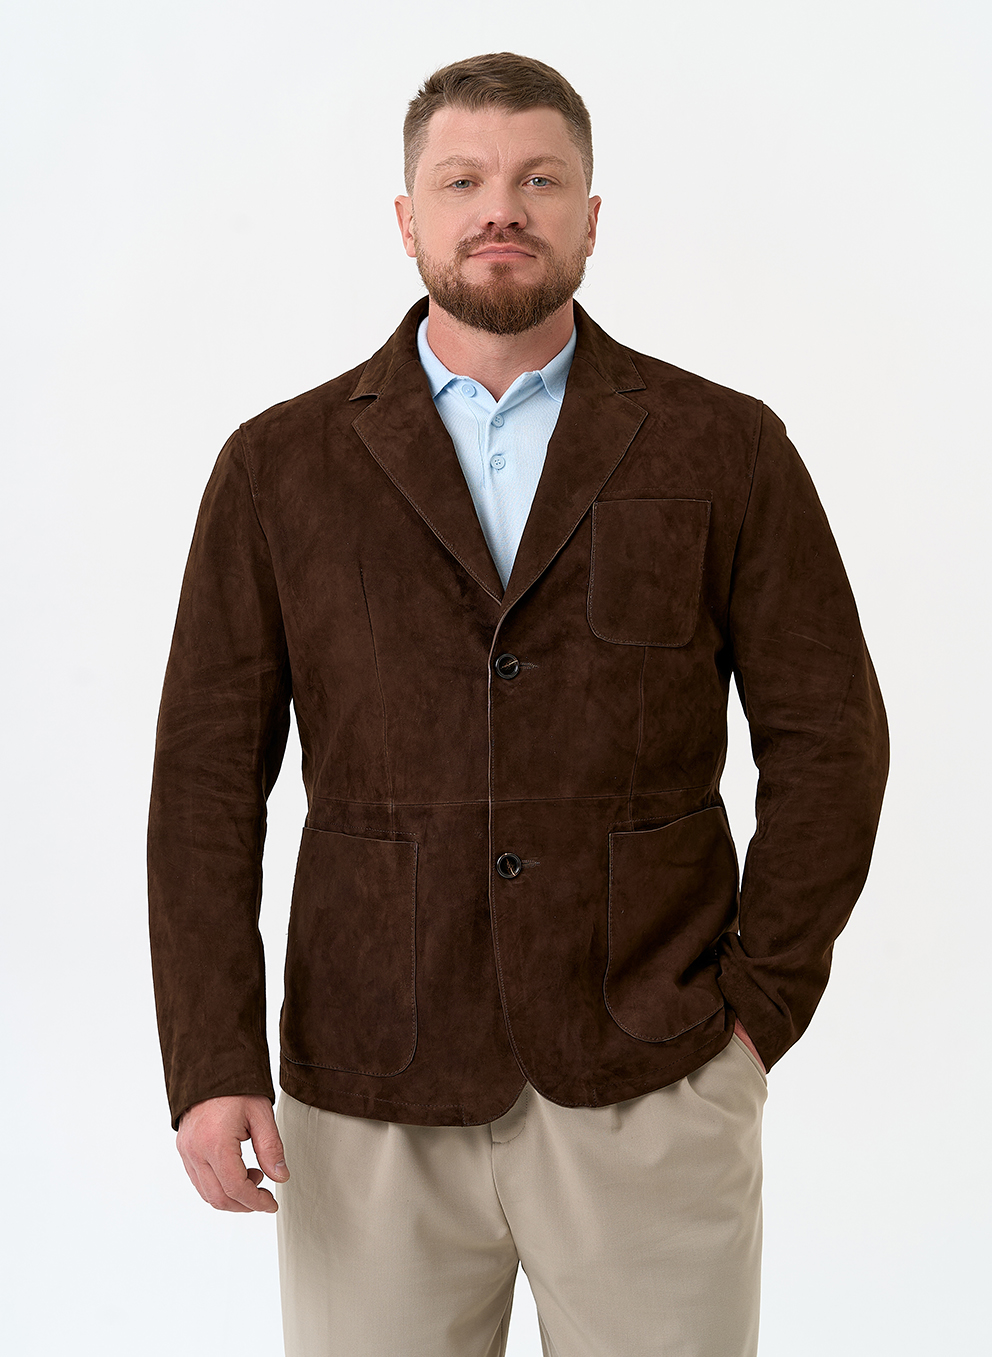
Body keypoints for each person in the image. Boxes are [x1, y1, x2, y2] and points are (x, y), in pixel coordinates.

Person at [148, 51, 889, 1357]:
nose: (502, 208)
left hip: (650, 1070)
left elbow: (831, 740)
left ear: (591, 216)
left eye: (540, 180)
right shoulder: (280, 467)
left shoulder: (724, 447)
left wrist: (753, 1015)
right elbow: (208, 783)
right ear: (408, 218)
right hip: (367, 1084)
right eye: (464, 182)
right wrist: (212, 1060)